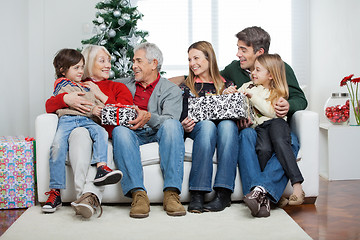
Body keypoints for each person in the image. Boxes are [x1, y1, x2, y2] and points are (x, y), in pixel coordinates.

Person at [170, 26, 307, 216]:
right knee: (245, 135)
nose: (238, 54)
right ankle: (255, 194)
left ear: (259, 52)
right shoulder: (235, 69)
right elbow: (207, 76)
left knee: (289, 141)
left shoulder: (279, 67)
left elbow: (300, 99)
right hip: (251, 128)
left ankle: (261, 193)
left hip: (275, 124)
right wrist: (164, 81)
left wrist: (288, 105)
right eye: (238, 48)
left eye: (243, 50)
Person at [45, 45, 134, 218]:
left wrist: (100, 95)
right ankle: (80, 196)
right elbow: (50, 104)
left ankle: (86, 197)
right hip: (79, 127)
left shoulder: (117, 87)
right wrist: (65, 99)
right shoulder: (74, 85)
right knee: (79, 136)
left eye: (109, 60)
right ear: (89, 63)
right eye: (102, 60)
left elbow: (126, 114)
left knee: (95, 136)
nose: (108, 64)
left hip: (106, 133)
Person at [112, 42, 186, 218]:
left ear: (154, 64)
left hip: (157, 131)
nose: (133, 66)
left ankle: (172, 194)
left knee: (173, 125)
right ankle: (138, 194)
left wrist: (148, 117)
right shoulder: (122, 85)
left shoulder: (171, 90)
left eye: (138, 61)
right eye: (133, 61)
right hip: (132, 133)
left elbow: (169, 119)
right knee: (119, 131)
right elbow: (99, 87)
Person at [238, 54, 305, 217]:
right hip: (260, 128)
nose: (253, 72)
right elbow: (236, 100)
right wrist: (231, 92)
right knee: (263, 149)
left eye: (258, 70)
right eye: (253, 69)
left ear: (270, 75)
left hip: (277, 124)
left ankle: (297, 185)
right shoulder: (248, 85)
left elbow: (271, 112)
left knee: (282, 143)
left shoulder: (276, 92)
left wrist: (252, 97)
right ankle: (267, 198)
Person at [179, 41, 238, 213]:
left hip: (224, 130)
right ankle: (198, 193)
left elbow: (236, 113)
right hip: (201, 129)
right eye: (189, 59)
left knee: (227, 125)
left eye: (196, 58)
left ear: (209, 58)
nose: (192, 63)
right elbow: (183, 115)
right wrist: (184, 124)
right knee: (207, 126)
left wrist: (233, 99)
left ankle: (223, 193)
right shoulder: (187, 87)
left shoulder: (227, 85)